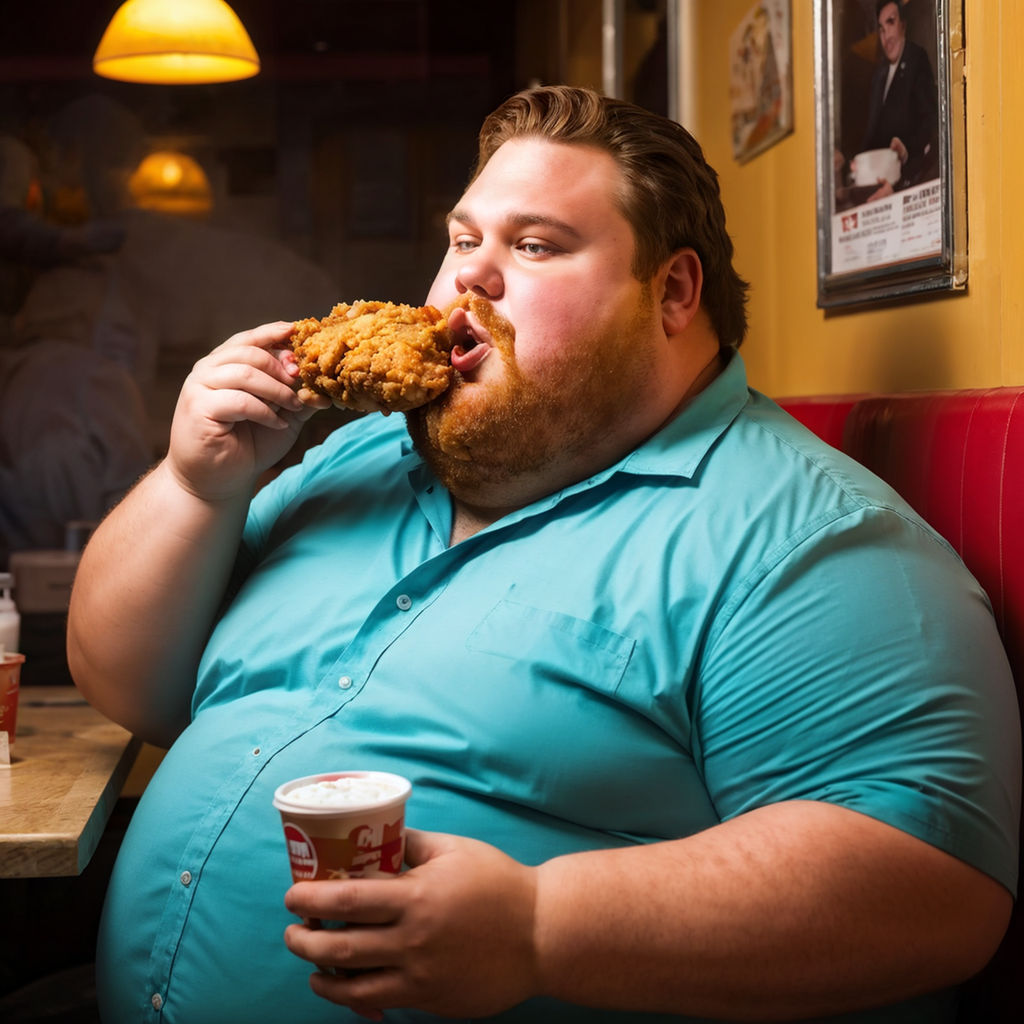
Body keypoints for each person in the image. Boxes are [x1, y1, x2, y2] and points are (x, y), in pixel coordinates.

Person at [67, 86, 1019, 1024]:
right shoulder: (359, 448)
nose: (469, 279)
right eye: (462, 240)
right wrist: (195, 485)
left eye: (533, 245)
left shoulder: (805, 540)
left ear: (674, 291)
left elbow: (933, 892)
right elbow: (136, 688)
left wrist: (541, 927)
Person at [854, 0, 940, 201]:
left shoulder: (916, 59)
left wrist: (906, 149)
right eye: (881, 29)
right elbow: (872, 130)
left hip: (909, 181)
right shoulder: (879, 76)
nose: (886, 37)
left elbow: (929, 122)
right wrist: (857, 165)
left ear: (903, 25)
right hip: (878, 181)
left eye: (890, 23)